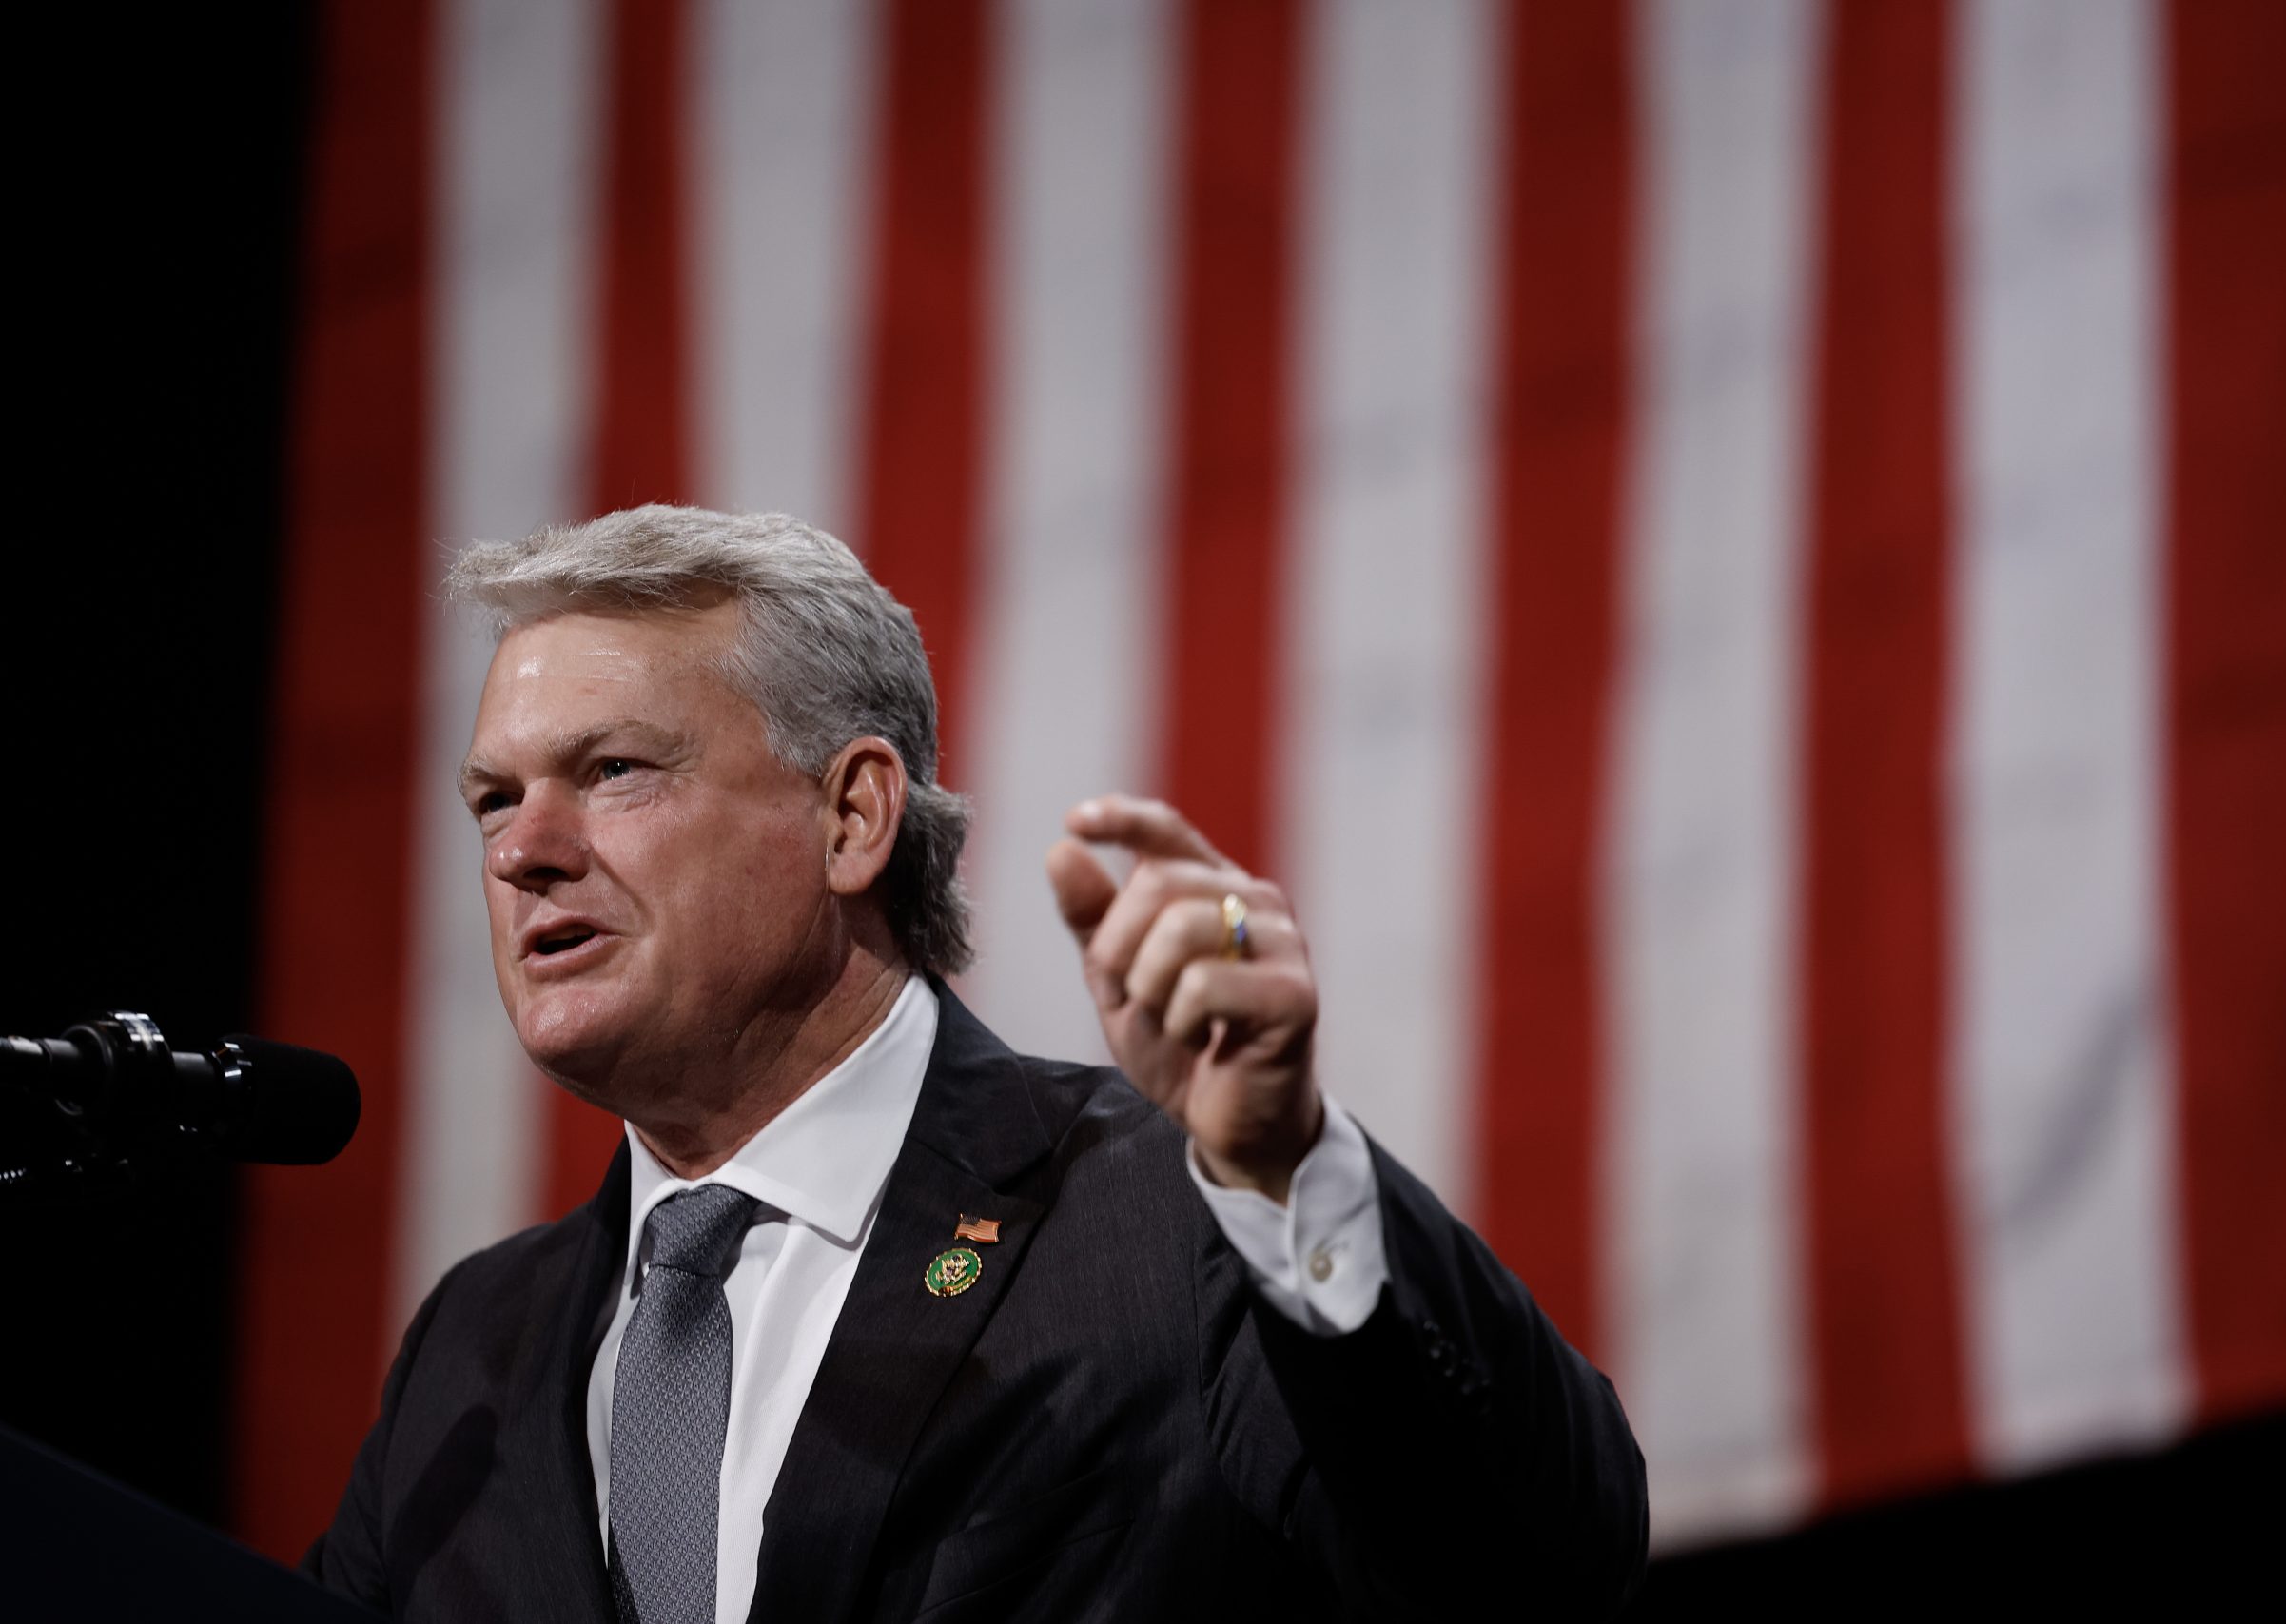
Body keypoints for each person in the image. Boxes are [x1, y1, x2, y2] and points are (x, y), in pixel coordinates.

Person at [305, 506, 1645, 1622]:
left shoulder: (1166, 1229)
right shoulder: (472, 1359)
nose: (521, 848)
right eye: (493, 796)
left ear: (852, 816)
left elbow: (1547, 1561)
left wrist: (1288, 1167)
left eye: (612, 770)